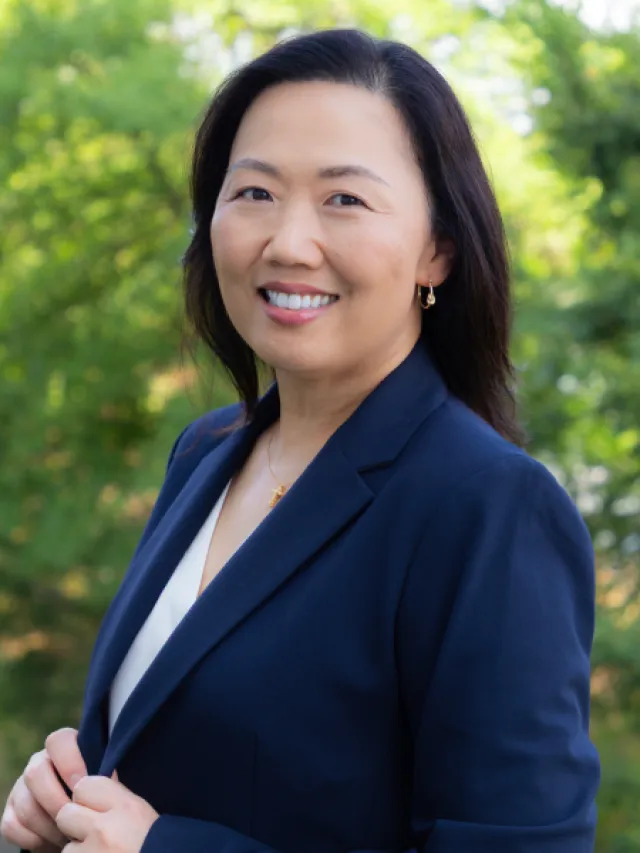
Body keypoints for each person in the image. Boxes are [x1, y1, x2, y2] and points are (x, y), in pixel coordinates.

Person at [1, 26, 600, 853]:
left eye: (344, 199)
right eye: (253, 193)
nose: (286, 243)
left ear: (439, 249)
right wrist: (63, 803)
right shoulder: (208, 451)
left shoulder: (489, 508)